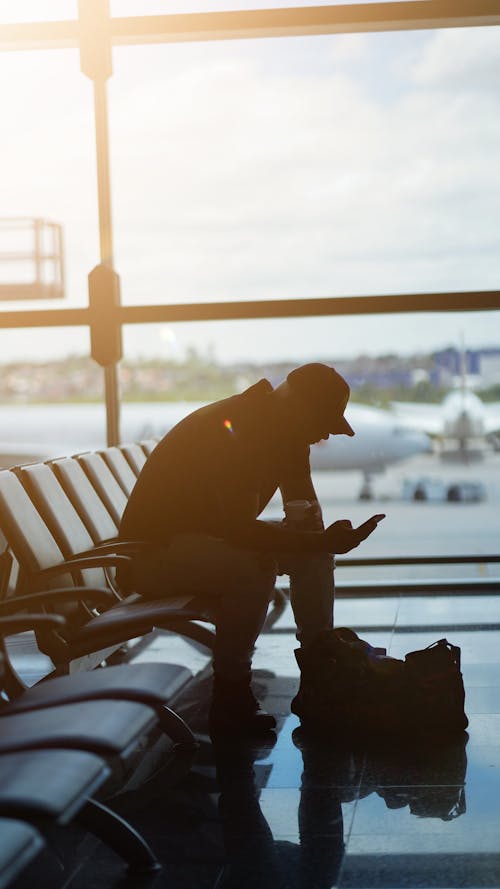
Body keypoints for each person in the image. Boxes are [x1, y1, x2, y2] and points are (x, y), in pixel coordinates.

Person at [119, 363, 384, 734]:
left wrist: (323, 540)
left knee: (312, 555)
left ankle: (321, 676)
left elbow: (303, 515)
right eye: (322, 420)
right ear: (296, 406)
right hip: (152, 556)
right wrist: (321, 540)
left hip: (200, 545)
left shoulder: (286, 434)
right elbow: (242, 532)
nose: (324, 433)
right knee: (253, 565)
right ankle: (231, 695)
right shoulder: (238, 428)